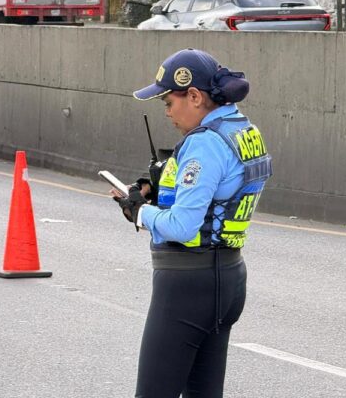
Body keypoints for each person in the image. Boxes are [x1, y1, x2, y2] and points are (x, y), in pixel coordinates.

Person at [113, 48, 272, 397]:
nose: (168, 112)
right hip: (227, 277)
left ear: (196, 96)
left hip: (188, 285)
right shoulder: (243, 130)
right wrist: (157, 188)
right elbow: (221, 195)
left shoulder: (204, 144)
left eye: (169, 102)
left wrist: (139, 211)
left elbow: (184, 227)